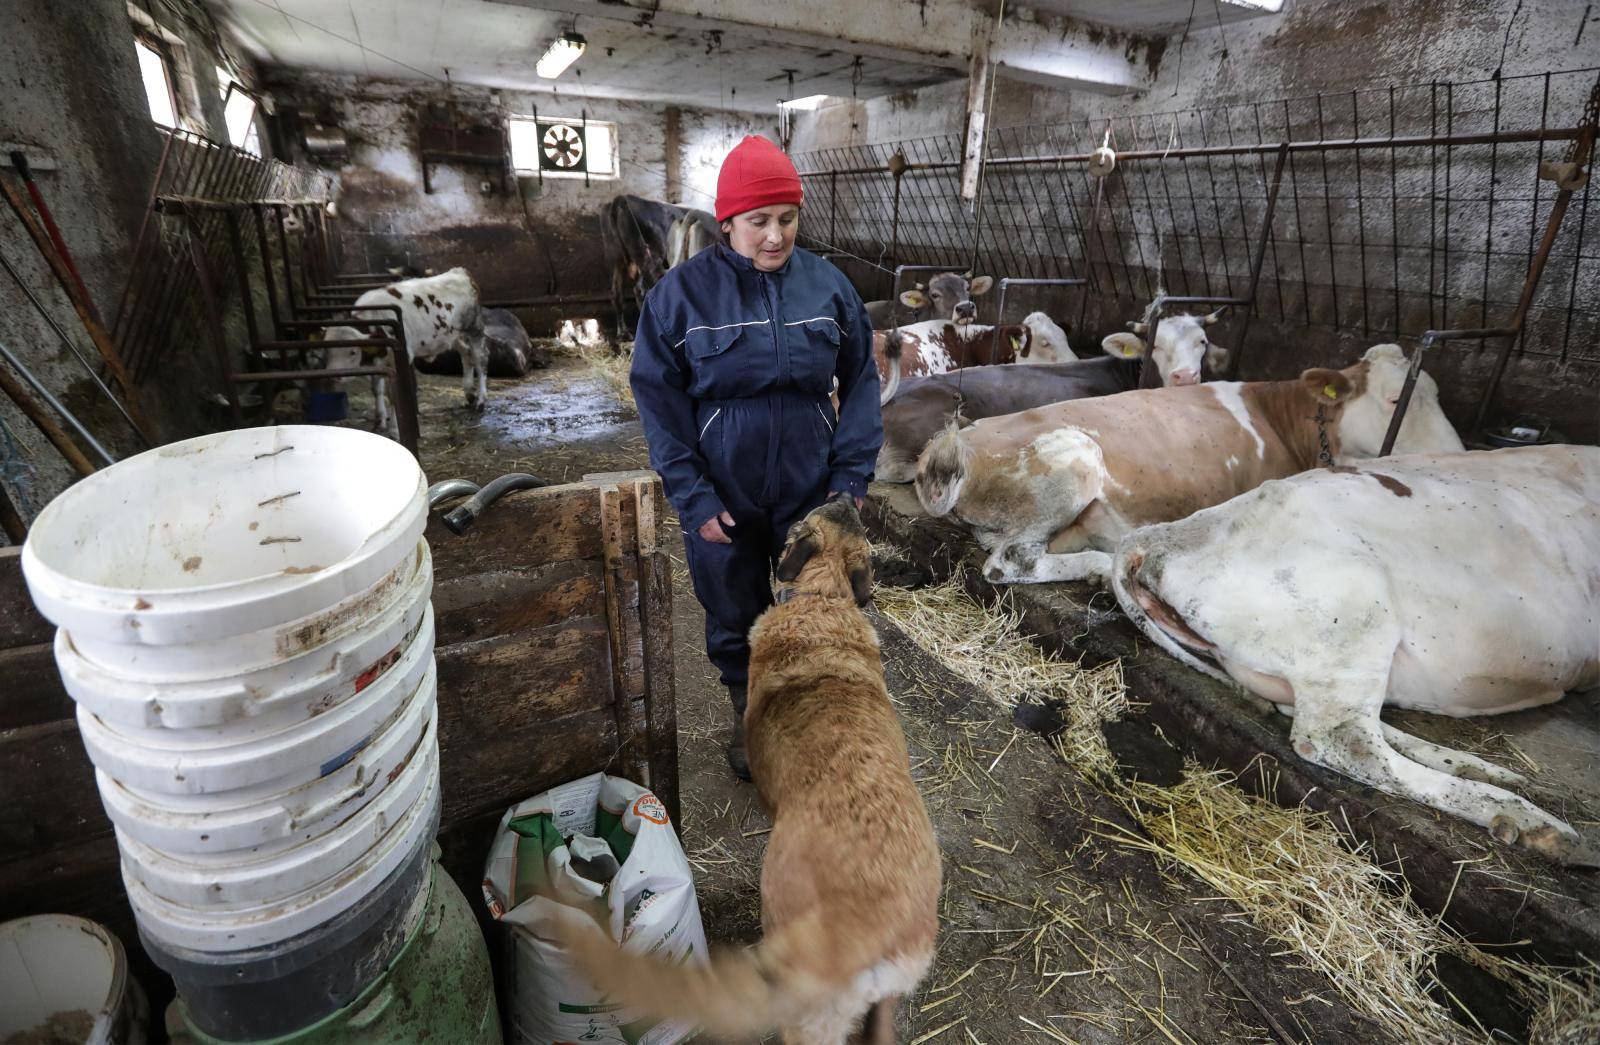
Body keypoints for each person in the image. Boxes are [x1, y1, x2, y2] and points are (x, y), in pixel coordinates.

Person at [630, 135, 883, 781]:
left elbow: (859, 382)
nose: (775, 236)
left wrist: (850, 478)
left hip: (812, 482)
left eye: (787, 219)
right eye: (759, 222)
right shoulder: (680, 297)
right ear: (728, 224)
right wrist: (693, 496)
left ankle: (811, 716)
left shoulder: (828, 287)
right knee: (734, 609)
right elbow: (659, 402)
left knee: (820, 610)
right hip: (725, 488)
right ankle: (750, 717)